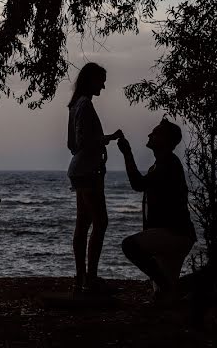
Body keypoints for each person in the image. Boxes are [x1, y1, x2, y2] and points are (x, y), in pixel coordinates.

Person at [117, 118, 197, 303]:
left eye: (155, 133)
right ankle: (211, 277)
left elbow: (138, 184)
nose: (149, 135)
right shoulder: (163, 163)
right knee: (163, 298)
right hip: (177, 235)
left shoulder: (168, 163)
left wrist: (127, 153)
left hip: (174, 235)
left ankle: (173, 288)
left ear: (166, 140)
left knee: (129, 245)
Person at [66, 62, 122, 294]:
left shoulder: (74, 106)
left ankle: (81, 278)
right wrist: (108, 138)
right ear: (91, 80)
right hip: (89, 172)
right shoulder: (86, 105)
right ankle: (91, 278)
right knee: (100, 222)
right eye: (101, 81)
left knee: (83, 224)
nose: (104, 86)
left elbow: (71, 144)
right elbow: (86, 141)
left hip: (79, 170)